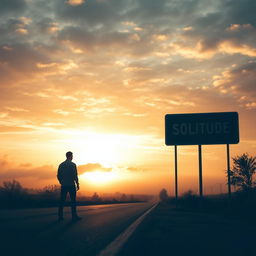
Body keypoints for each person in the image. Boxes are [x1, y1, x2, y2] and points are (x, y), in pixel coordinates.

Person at [57, 151, 81, 221]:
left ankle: (60, 216)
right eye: (72, 156)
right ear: (70, 156)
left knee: (62, 201)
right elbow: (75, 175)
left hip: (64, 185)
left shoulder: (61, 165)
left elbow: (58, 175)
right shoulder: (73, 165)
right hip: (71, 185)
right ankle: (74, 216)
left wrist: (61, 182)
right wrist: (77, 183)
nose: (72, 157)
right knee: (73, 201)